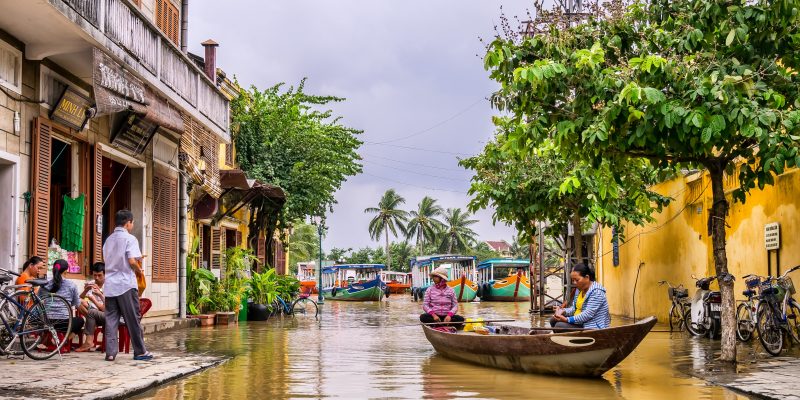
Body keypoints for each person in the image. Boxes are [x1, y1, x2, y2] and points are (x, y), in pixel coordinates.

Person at [102, 209, 152, 361]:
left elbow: (108, 260)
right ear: (128, 223)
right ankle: (140, 351)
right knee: (132, 319)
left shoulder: (108, 240)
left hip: (110, 284)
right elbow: (131, 261)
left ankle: (110, 353)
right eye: (132, 222)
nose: (132, 225)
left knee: (111, 320)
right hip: (125, 284)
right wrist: (139, 269)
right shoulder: (130, 239)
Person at [550, 263, 610, 330]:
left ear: (587, 277)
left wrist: (567, 319)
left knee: (559, 326)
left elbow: (587, 315)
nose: (574, 283)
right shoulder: (579, 290)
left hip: (591, 326)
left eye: (577, 280)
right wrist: (562, 311)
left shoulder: (597, 292)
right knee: (553, 320)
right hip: (580, 323)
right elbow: (574, 309)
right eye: (573, 280)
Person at [42, 259, 85, 338]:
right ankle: (64, 341)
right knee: (80, 320)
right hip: (64, 324)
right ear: (66, 271)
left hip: (46, 322)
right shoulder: (71, 285)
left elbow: (39, 301)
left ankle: (52, 340)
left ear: (53, 270)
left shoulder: (45, 285)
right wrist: (88, 316)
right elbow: (77, 304)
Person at [75, 262, 106, 352]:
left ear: (105, 274)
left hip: (104, 313)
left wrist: (97, 296)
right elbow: (80, 298)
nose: (96, 278)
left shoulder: (109, 285)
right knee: (78, 302)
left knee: (91, 313)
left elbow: (104, 309)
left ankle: (89, 338)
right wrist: (85, 290)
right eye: (95, 275)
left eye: (99, 275)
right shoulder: (92, 283)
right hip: (93, 311)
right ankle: (93, 323)